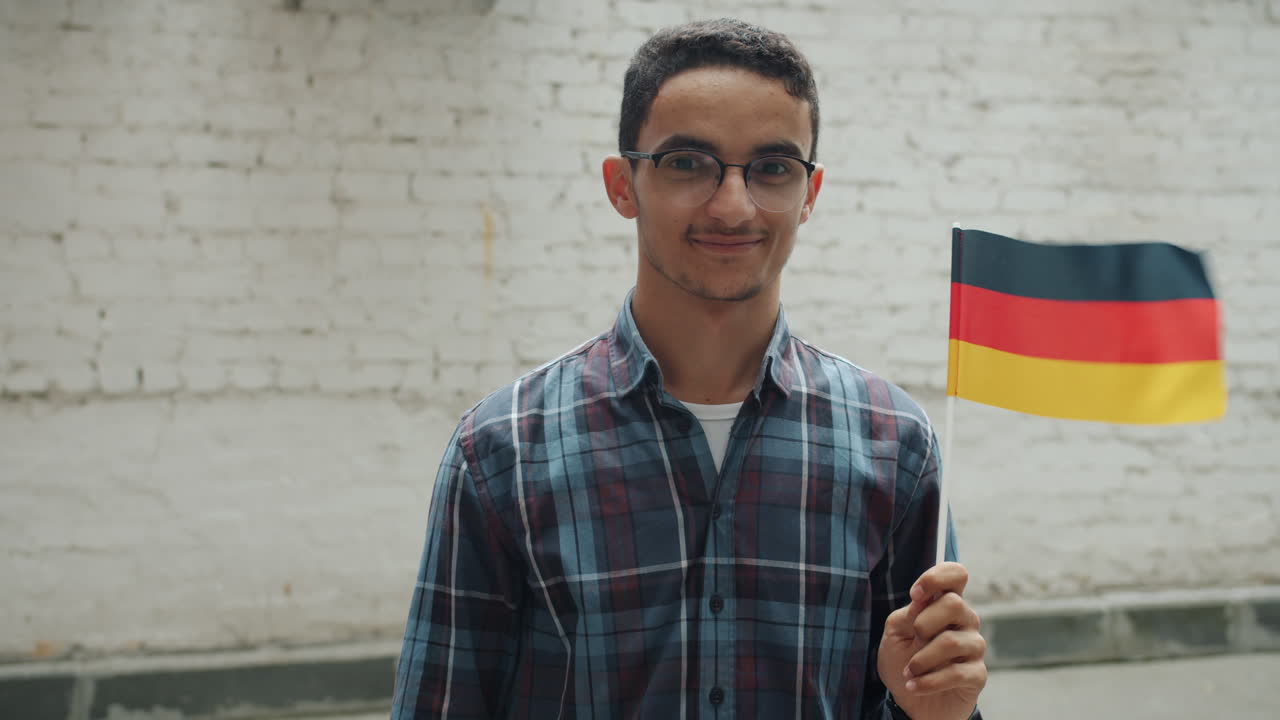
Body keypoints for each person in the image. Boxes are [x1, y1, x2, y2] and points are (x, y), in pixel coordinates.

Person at [393, 18, 986, 719]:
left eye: (771, 167)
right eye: (686, 163)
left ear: (810, 193)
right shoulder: (500, 452)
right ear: (622, 185)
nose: (732, 206)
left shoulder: (896, 445)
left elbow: (921, 701)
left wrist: (937, 712)